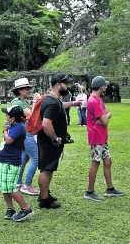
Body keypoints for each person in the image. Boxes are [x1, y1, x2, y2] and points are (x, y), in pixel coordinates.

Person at [83, 75, 125, 201]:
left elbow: (103, 117)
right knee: (95, 162)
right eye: (105, 85)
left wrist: (104, 117)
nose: (106, 87)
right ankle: (89, 192)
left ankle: (110, 189)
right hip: (96, 137)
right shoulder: (94, 101)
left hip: (101, 136)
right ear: (101, 87)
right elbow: (105, 119)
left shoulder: (98, 99)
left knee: (107, 161)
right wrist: (107, 116)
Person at [37, 73, 76, 209]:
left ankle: (44, 193)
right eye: (66, 84)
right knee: (47, 169)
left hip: (49, 141)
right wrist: (55, 138)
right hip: (49, 142)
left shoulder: (53, 99)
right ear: (58, 84)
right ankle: (44, 199)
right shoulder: (52, 102)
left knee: (48, 168)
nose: (69, 86)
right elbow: (46, 124)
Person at [0, 105, 33, 222]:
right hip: (4, 160)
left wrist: (4, 130)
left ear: (13, 118)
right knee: (4, 187)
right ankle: (10, 209)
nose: (5, 117)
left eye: (7, 115)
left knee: (11, 187)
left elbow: (9, 140)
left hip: (12, 162)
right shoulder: (12, 127)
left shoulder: (19, 127)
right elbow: (4, 143)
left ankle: (26, 208)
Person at [9, 78, 39, 195]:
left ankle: (18, 182)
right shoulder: (18, 103)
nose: (28, 90)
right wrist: (36, 102)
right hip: (26, 134)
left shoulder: (21, 102)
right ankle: (26, 185)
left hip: (24, 133)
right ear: (20, 90)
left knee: (24, 158)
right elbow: (32, 117)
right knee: (36, 158)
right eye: (26, 88)